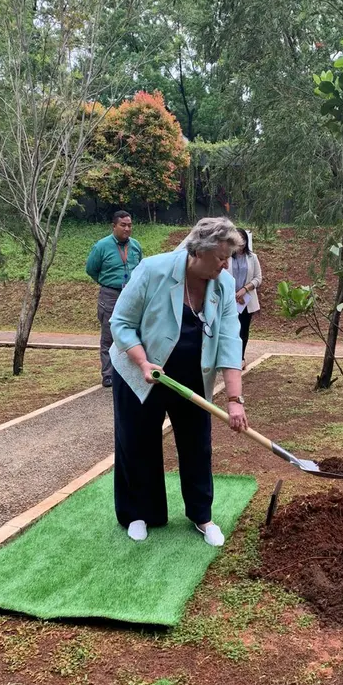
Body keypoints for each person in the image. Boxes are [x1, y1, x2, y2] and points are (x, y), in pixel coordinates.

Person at [109, 216, 248, 547]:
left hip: (192, 374)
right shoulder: (154, 270)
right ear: (198, 251)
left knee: (197, 443)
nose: (226, 265)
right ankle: (140, 513)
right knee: (138, 441)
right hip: (140, 372)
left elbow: (230, 339)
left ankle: (201, 515)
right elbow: (121, 322)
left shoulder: (224, 284)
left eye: (229, 257)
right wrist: (143, 362)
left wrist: (234, 399)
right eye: (221, 257)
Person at [86, 211, 143, 387]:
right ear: (114, 226)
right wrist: (107, 283)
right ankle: (108, 374)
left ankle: (130, 372)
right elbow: (91, 269)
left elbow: (141, 267)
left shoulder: (135, 246)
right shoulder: (102, 246)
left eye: (129, 225)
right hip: (111, 295)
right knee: (109, 336)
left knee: (134, 331)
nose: (127, 228)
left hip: (131, 295)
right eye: (123, 225)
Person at [228, 228, 263, 370]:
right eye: (238, 238)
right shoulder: (227, 256)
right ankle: (229, 358)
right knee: (230, 331)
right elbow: (219, 277)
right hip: (230, 300)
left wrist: (244, 290)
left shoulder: (252, 257)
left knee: (243, 330)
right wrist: (234, 294)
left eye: (243, 238)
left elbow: (258, 278)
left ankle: (240, 358)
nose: (241, 241)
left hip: (246, 301)